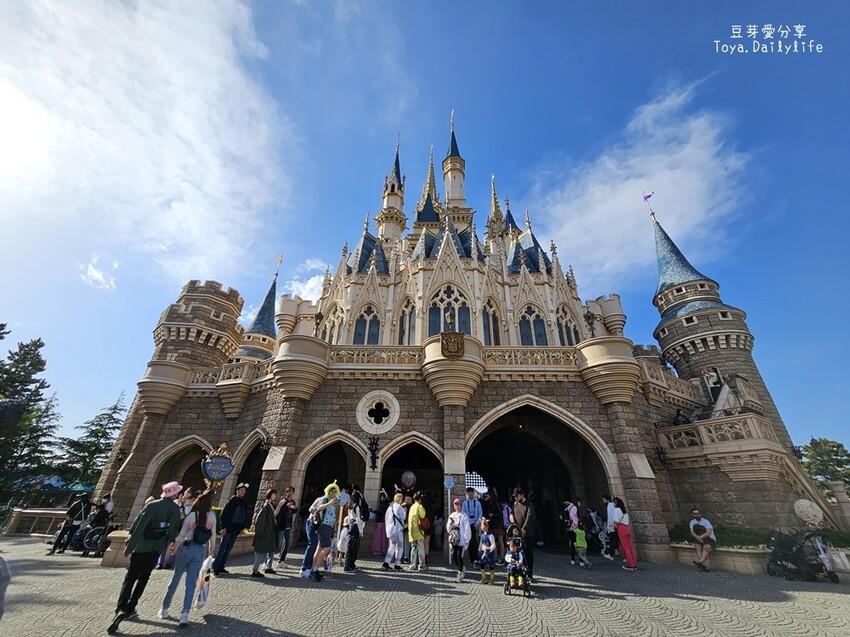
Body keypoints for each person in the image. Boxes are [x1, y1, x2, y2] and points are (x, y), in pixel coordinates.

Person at [107, 481, 182, 634]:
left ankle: (120, 608)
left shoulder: (151, 505)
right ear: (174, 494)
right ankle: (131, 606)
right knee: (144, 577)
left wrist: (129, 546)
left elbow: (137, 526)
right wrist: (170, 541)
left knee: (130, 578)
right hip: (155, 548)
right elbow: (173, 530)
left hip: (140, 546)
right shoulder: (174, 508)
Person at [157, 490, 217, 627]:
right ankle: (185, 614)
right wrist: (211, 550)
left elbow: (182, 535)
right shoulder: (212, 516)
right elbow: (213, 535)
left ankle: (164, 609)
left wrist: (175, 546)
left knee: (175, 580)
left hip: (186, 549)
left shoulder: (191, 516)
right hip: (199, 551)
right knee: (191, 584)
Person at [302, 481, 339, 582]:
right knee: (326, 547)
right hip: (324, 526)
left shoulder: (333, 501)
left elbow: (333, 517)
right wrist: (330, 503)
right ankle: (314, 569)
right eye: (331, 491)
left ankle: (314, 569)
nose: (333, 493)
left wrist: (334, 529)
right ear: (328, 491)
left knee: (319, 548)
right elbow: (318, 508)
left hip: (328, 527)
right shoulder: (325, 499)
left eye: (335, 491)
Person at [213, 482, 249, 576]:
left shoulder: (244, 502)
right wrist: (223, 527)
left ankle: (221, 566)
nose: (243, 492)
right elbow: (223, 515)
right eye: (241, 490)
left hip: (236, 529)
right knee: (222, 548)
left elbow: (244, 516)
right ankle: (215, 568)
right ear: (237, 491)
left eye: (244, 490)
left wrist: (241, 528)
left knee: (228, 549)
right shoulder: (231, 501)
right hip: (228, 529)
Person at [251, 488, 279, 577]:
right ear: (270, 494)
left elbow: (274, 516)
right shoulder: (266, 505)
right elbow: (260, 520)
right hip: (264, 533)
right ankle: (255, 571)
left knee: (267, 551)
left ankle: (265, 568)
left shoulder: (271, 505)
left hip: (269, 533)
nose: (275, 496)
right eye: (274, 494)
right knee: (260, 553)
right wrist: (262, 532)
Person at [511, 487, 536, 582]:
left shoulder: (529, 505)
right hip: (516, 532)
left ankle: (530, 573)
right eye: (515, 496)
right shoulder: (515, 504)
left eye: (517, 496)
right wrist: (511, 516)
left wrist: (524, 529)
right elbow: (512, 512)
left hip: (527, 533)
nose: (516, 498)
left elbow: (530, 517)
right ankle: (518, 573)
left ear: (522, 495)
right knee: (516, 553)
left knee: (528, 553)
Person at [447, 497, 471, 583]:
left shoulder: (464, 516)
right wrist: (450, 524)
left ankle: (460, 574)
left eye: (458, 504)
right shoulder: (452, 515)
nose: (457, 506)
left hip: (461, 541)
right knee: (454, 557)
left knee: (459, 557)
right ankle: (461, 568)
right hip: (454, 540)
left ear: (460, 505)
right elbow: (448, 528)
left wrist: (466, 540)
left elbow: (467, 528)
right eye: (455, 504)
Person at [344, 483, 368, 571]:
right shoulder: (356, 506)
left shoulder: (350, 506)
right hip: (356, 526)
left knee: (350, 546)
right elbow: (358, 519)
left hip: (351, 524)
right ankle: (349, 565)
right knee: (353, 547)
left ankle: (350, 564)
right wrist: (361, 531)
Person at [382, 492, 406, 570]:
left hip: (390, 530)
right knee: (400, 546)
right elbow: (403, 517)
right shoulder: (399, 507)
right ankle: (397, 564)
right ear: (400, 499)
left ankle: (386, 562)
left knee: (391, 546)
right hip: (397, 529)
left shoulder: (389, 508)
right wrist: (405, 511)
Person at [613, 497, 637, 570]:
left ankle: (630, 565)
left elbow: (616, 520)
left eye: (614, 502)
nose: (613, 504)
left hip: (621, 528)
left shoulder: (617, 510)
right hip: (627, 528)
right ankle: (634, 563)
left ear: (616, 503)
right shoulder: (624, 511)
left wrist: (614, 525)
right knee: (630, 547)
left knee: (625, 547)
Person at [276, 485, 297, 565]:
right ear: (286, 492)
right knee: (276, 543)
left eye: (291, 491)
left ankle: (281, 560)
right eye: (288, 491)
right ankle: (268, 560)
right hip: (281, 525)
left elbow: (293, 512)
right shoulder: (283, 501)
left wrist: (295, 508)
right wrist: (286, 506)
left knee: (287, 544)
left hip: (288, 525)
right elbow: (279, 512)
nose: (290, 493)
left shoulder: (293, 502)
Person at [462, 487, 483, 567]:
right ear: (467, 493)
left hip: (476, 525)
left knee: (476, 542)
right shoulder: (464, 503)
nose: (470, 494)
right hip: (468, 525)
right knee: (470, 543)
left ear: (473, 493)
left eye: (471, 492)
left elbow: (480, 514)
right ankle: (472, 559)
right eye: (469, 492)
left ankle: (476, 559)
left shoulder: (477, 503)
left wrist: (477, 523)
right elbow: (463, 514)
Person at [408, 491, 427, 571]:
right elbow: (423, 515)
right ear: (420, 499)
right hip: (419, 531)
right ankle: (421, 565)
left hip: (412, 531)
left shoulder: (412, 507)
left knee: (413, 548)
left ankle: (412, 565)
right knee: (421, 549)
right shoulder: (420, 506)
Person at [478, 518, 496, 584]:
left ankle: (492, 578)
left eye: (483, 526)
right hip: (483, 552)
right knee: (482, 564)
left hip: (489, 553)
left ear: (487, 526)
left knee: (491, 566)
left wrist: (490, 548)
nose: (481, 527)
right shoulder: (482, 535)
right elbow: (481, 543)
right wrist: (479, 549)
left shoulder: (490, 535)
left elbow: (493, 544)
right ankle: (484, 577)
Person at [560, 499, 579, 565]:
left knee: (571, 543)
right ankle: (581, 560)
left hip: (568, 528)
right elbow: (572, 515)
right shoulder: (573, 507)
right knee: (577, 543)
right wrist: (576, 523)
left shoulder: (565, 508)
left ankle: (572, 559)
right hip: (574, 528)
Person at [372, 489, 389, 555]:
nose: (381, 498)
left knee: (379, 537)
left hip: (381, 522)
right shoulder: (384, 504)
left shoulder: (384, 505)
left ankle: (379, 549)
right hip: (382, 522)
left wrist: (375, 511)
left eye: (382, 497)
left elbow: (381, 512)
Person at [601, 494, 619, 560]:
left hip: (613, 526)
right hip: (612, 526)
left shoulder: (610, 506)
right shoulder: (609, 506)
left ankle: (611, 554)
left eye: (603, 500)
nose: (603, 501)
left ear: (607, 499)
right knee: (614, 540)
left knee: (613, 540)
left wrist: (614, 526)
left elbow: (613, 517)